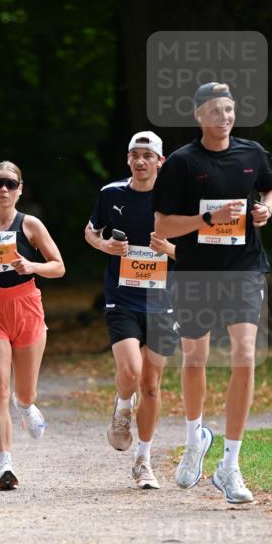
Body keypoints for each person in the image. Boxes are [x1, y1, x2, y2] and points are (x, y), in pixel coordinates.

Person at [154, 81, 272, 504]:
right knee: (195, 357)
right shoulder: (180, 162)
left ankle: (230, 466)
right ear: (198, 116)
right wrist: (206, 220)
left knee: (245, 354)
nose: (224, 117)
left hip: (245, 269)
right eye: (216, 111)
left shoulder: (252, 153)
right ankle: (195, 440)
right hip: (195, 273)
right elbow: (163, 227)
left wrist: (266, 209)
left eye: (229, 110)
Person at [85, 132, 178, 490]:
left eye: (147, 156)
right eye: (134, 155)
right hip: (121, 297)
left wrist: (168, 249)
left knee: (152, 385)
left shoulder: (174, 199)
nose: (140, 161)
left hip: (162, 301)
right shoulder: (111, 194)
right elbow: (90, 232)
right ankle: (122, 408)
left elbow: (193, 248)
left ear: (160, 162)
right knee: (130, 370)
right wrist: (105, 245)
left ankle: (144, 461)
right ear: (127, 160)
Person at [0, 161, 65, 490]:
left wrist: (30, 265)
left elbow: (58, 267)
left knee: (24, 391)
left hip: (26, 305)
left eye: (11, 183)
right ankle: (4, 464)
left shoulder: (30, 225)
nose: (4, 189)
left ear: (20, 188)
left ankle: (25, 405)